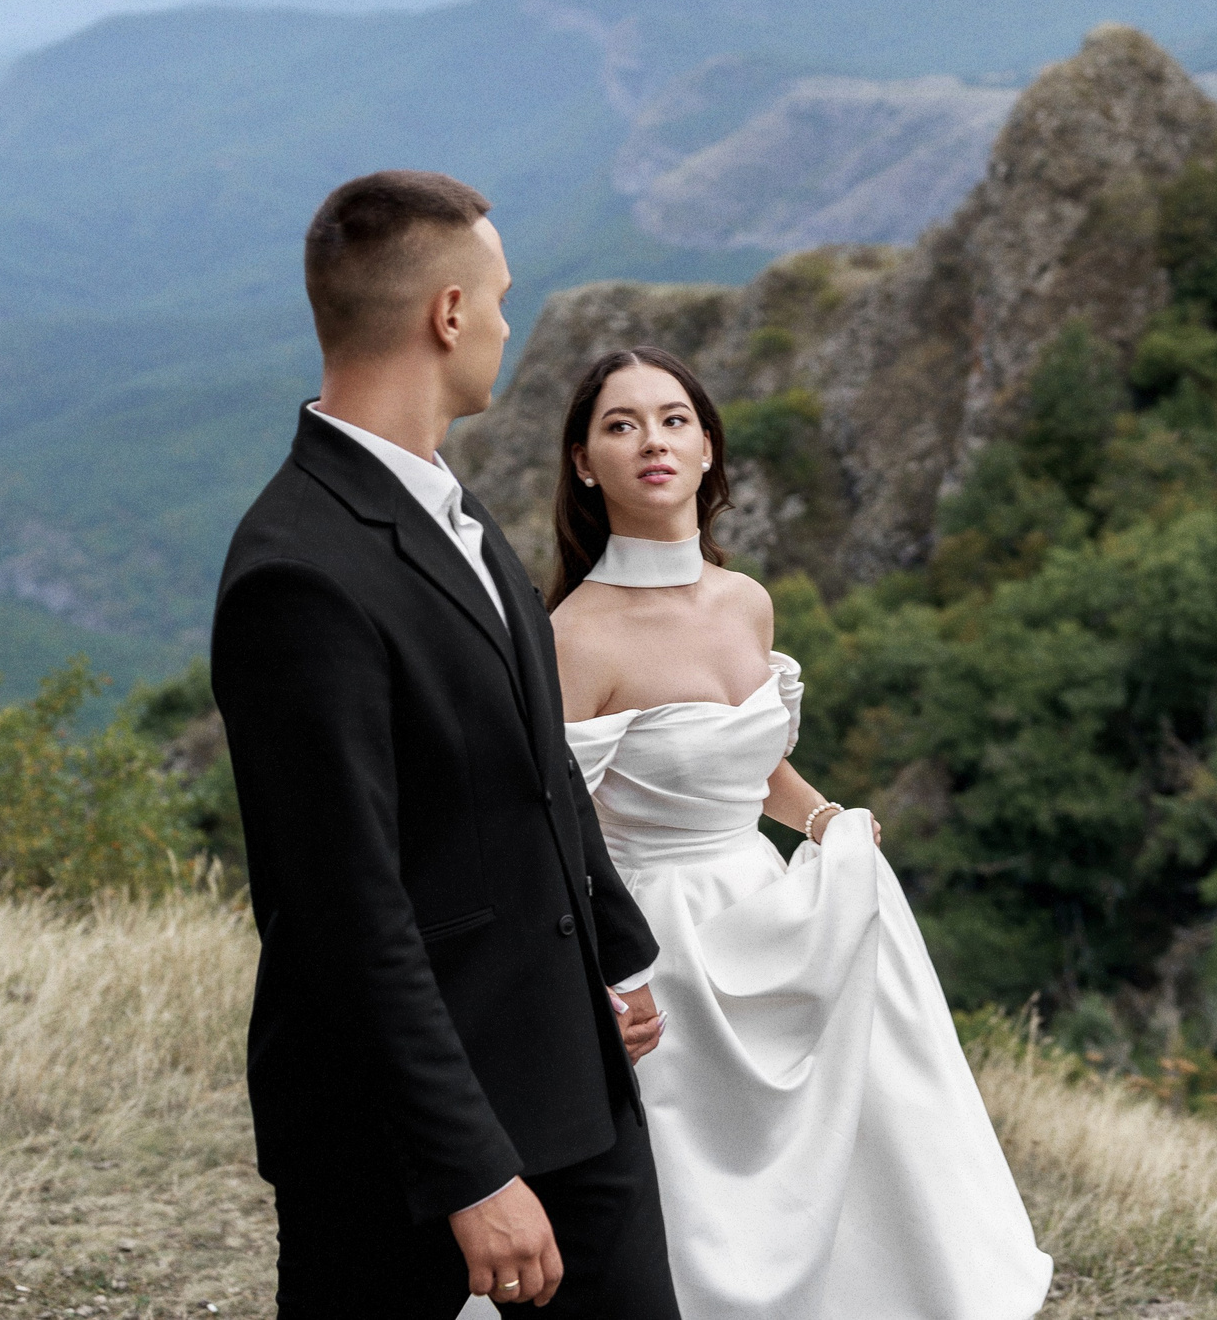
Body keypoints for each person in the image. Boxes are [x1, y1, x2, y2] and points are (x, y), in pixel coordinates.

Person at [211, 172, 683, 1319]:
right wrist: (469, 1164)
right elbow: (342, 908)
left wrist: (609, 957)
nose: (512, 327)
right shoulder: (298, 571)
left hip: (564, 1067)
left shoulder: (447, 508)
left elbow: (536, 764)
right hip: (397, 1135)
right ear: (450, 314)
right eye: (503, 298)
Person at [548, 345, 1055, 1320]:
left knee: (847, 1169)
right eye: (619, 424)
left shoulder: (745, 602)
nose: (650, 439)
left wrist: (825, 821)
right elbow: (552, 830)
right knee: (700, 1208)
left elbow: (753, 766)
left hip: (768, 908)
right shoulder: (575, 637)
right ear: (582, 463)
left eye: (672, 419)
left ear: (707, 449)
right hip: (656, 945)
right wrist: (593, 984)